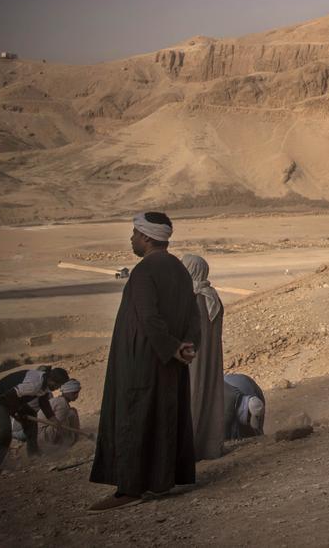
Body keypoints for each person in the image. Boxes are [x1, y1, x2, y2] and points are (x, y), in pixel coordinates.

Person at [89, 211, 201, 513]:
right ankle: (161, 480)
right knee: (163, 418)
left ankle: (129, 488)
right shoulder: (179, 269)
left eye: (135, 234)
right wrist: (186, 348)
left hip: (142, 360)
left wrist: (170, 347)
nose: (131, 239)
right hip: (170, 360)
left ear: (148, 237)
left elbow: (148, 317)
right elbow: (193, 314)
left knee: (133, 418)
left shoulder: (144, 271)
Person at [0, 366, 69, 473]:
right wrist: (16, 411)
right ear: (51, 380)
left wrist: (54, 420)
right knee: (5, 429)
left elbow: (43, 403)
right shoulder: (34, 384)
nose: (57, 388)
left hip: (12, 400)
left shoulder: (44, 385)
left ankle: (34, 454)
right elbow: (10, 395)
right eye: (57, 385)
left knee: (31, 417)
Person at [181, 253, 225, 461]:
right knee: (207, 394)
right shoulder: (212, 296)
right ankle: (208, 447)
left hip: (191, 360)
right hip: (209, 360)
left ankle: (187, 449)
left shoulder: (192, 298)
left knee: (191, 398)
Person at [223, 373, 266, 440]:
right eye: (249, 418)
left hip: (247, 384)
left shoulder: (254, 399)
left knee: (253, 430)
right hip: (227, 383)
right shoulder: (226, 412)